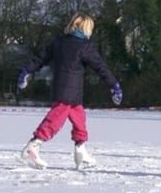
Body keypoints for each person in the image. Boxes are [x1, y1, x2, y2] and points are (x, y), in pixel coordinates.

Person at [17, 13, 122, 170]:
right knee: (55, 120)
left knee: (79, 118)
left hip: (66, 90)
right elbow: (101, 67)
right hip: (69, 92)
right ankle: (34, 145)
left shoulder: (59, 42)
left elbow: (40, 58)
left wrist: (26, 71)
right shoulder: (84, 46)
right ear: (86, 28)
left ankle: (81, 151)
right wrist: (114, 85)